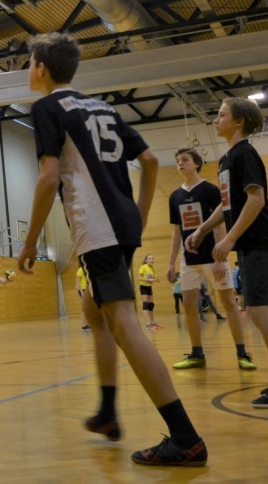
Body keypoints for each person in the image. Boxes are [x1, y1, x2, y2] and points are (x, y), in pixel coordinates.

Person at [18, 32, 206, 467]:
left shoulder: (46, 108)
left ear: (41, 68)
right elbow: (151, 160)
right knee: (93, 308)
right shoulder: (102, 107)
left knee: (122, 321)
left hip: (97, 226)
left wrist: (29, 243)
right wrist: (140, 214)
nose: (28, 69)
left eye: (29, 63)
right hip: (122, 222)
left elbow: (48, 178)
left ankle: (186, 437)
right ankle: (106, 411)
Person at [185, 98, 268, 408]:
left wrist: (228, 239)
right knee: (258, 311)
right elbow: (228, 204)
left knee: (257, 311)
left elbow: (256, 199)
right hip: (248, 243)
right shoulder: (227, 159)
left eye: (221, 115)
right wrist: (202, 230)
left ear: (239, 121)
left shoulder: (245, 153)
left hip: (258, 239)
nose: (215, 120)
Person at [165, 147, 253, 372]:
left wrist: (221, 258)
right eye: (177, 160)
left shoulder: (210, 190)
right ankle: (197, 354)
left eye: (184, 159)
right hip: (188, 259)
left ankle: (242, 353)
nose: (180, 163)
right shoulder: (174, 196)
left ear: (196, 163)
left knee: (229, 303)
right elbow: (177, 231)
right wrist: (171, 262)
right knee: (188, 304)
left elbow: (222, 222)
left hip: (213, 256)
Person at [138, 254, 161, 329]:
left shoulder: (152, 268)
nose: (151, 260)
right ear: (146, 260)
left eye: (152, 258)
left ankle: (153, 322)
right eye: (150, 258)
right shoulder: (143, 267)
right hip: (143, 287)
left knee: (151, 305)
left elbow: (151, 279)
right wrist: (147, 279)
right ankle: (148, 324)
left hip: (149, 287)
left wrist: (156, 280)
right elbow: (139, 278)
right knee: (146, 305)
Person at [77, 265, 90, 330]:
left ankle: (88, 323)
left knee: (89, 307)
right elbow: (77, 282)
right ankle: (83, 324)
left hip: (89, 289)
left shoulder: (90, 269)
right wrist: (81, 291)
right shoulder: (81, 270)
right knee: (84, 307)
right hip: (83, 289)